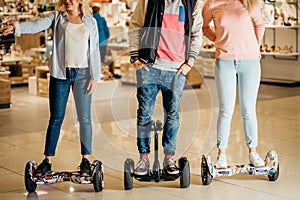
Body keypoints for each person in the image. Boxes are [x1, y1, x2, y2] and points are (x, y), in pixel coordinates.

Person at [2, 0, 101, 176]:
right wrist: (15, 28)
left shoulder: (90, 21)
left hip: (84, 75)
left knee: (84, 118)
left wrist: (96, 75)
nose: (68, 2)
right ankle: (47, 161)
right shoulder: (57, 18)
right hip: (60, 75)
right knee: (56, 118)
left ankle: (86, 159)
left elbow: (94, 50)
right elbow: (35, 25)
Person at [128, 0, 202, 175]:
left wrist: (190, 62)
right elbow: (135, 25)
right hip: (149, 67)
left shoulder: (192, 2)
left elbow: (197, 32)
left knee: (173, 114)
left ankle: (169, 157)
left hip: (176, 70)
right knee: (144, 112)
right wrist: (135, 56)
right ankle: (143, 159)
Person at [202, 0, 266, 168]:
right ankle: (221, 155)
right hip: (225, 62)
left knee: (249, 110)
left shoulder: (250, 2)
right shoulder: (212, 4)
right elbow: (203, 27)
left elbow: (260, 25)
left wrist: (256, 47)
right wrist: (218, 40)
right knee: (225, 110)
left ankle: (253, 152)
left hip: (250, 62)